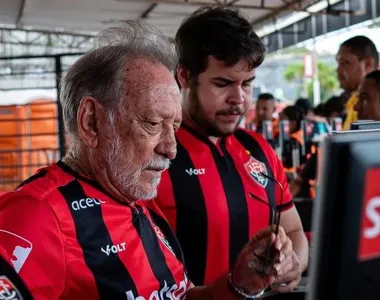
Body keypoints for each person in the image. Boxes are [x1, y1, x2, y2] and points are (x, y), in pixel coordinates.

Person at [0, 20, 296, 300]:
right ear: (91, 122)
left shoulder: (136, 199)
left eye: (175, 127)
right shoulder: (38, 214)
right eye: (153, 124)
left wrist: (237, 285)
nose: (171, 148)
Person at [155, 6, 308, 290]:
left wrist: (293, 262)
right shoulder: (155, 157)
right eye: (223, 83)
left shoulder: (259, 149)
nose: (238, 99)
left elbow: (295, 229)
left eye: (247, 84)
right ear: (185, 77)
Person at [336, 36, 379, 130]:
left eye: (344, 63)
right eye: (338, 64)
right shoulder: (352, 102)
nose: (338, 70)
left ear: (368, 64)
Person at [279, 105, 305, 171]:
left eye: (282, 121)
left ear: (293, 123)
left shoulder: (293, 141)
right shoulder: (303, 134)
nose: (279, 124)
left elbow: (287, 162)